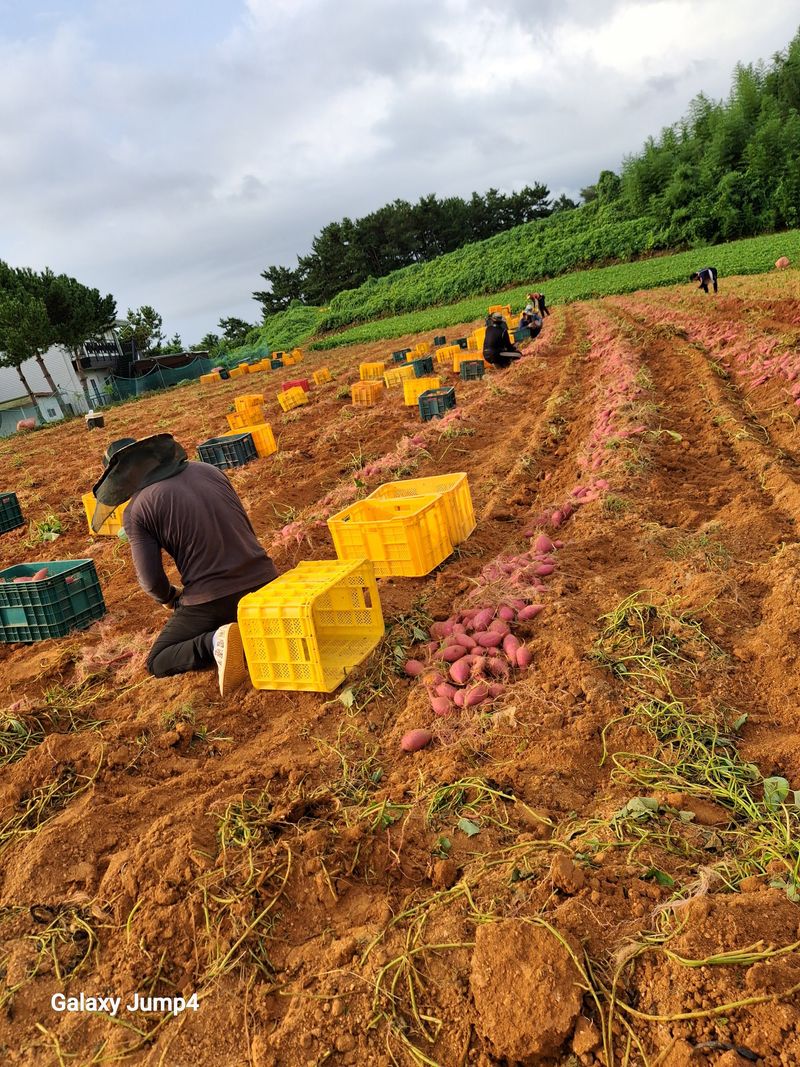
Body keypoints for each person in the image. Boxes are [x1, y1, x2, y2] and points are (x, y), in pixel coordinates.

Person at [90, 434, 278, 695]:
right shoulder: (209, 470)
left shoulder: (137, 509)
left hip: (214, 598)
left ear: (120, 478)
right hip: (267, 580)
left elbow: (151, 581)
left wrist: (170, 598)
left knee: (158, 660)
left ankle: (214, 642)